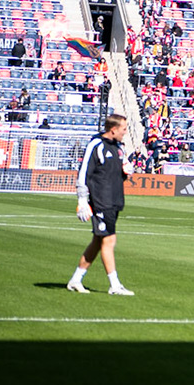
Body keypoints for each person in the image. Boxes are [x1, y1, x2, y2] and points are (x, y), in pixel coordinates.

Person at [69, 114, 134, 295]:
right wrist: (82, 200)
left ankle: (76, 279)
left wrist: (126, 171)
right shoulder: (95, 145)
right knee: (109, 240)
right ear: (113, 129)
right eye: (123, 129)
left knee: (98, 241)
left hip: (114, 199)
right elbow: (84, 173)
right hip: (100, 200)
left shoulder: (119, 148)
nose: (125, 132)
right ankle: (114, 285)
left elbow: (117, 171)